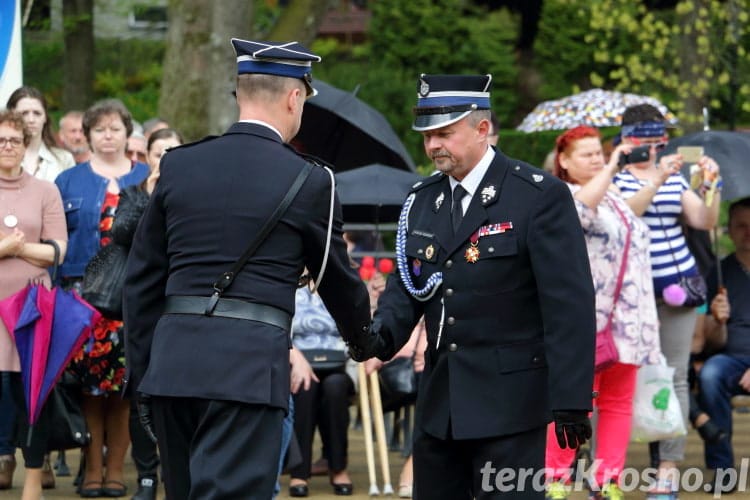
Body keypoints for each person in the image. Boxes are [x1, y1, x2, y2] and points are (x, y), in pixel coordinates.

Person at [123, 38, 373, 500]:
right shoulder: (311, 178)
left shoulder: (179, 165)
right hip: (248, 372)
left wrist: (142, 375)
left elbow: (140, 282)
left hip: (173, 367)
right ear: (295, 97)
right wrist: (365, 340)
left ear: (239, 93)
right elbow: (337, 279)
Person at [358, 74, 596, 500]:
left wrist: (571, 400)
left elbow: (569, 306)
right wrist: (373, 338)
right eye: (427, 135)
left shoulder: (537, 196)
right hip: (441, 405)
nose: (432, 146)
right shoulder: (423, 199)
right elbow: (408, 286)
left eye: (444, 134)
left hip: (511, 403)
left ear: (482, 128)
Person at [544, 126, 661, 500]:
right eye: (588, 154)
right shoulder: (560, 195)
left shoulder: (611, 196)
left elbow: (634, 213)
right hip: (588, 319)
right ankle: (555, 477)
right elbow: (580, 211)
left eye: (600, 151)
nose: (597, 159)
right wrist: (611, 166)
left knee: (617, 402)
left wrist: (659, 177)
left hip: (629, 321)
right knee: (575, 400)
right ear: (563, 161)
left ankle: (607, 478)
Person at [612, 103, 721, 498]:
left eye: (657, 140)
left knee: (675, 375)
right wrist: (656, 178)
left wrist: (710, 186)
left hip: (678, 286)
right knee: (622, 374)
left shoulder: (676, 180)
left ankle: (668, 470)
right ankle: (612, 467)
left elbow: (704, 222)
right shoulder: (614, 178)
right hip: (629, 291)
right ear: (625, 140)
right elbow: (626, 214)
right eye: (643, 140)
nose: (651, 147)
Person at [54, 98, 149, 498]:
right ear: (88, 135)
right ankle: (91, 469)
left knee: (125, 390)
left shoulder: (148, 176)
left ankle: (115, 471)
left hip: (134, 298)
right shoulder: (68, 181)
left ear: (128, 134)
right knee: (89, 391)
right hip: (83, 300)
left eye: (115, 128)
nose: (108, 136)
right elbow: (58, 242)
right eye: (100, 129)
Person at [0, 110, 67, 500]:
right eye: (1, 139)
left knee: (33, 395)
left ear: (26, 145)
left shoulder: (46, 191)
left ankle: (32, 478)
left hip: (30, 309)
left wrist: (19, 247)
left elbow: (58, 250)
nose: (7, 146)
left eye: (14, 139)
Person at [114, 127, 182, 500]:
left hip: (181, 306)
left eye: (174, 152)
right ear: (147, 158)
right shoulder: (133, 194)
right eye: (159, 153)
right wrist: (151, 195)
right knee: (141, 390)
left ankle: (176, 471)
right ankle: (145, 475)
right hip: (143, 307)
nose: (166, 159)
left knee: (175, 394)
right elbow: (120, 232)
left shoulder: (193, 195)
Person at [698, 196, 750, 494]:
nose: (748, 232)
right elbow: (710, 342)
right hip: (731, 359)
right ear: (728, 230)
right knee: (710, 375)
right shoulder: (718, 272)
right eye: (741, 226)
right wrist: (717, 320)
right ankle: (722, 471)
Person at [288, 281, 357, 497]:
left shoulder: (345, 287)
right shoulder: (290, 289)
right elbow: (280, 329)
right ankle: (299, 471)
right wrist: (293, 355)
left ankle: (338, 467)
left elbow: (360, 329)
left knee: (335, 387)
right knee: (305, 387)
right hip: (298, 364)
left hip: (340, 365)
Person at [6, 86, 75, 182]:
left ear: (45, 117)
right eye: (24, 113)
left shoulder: (64, 159)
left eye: (37, 113)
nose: (31, 120)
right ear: (11, 116)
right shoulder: (3, 156)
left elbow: (69, 196)